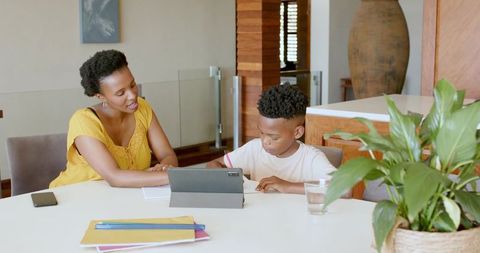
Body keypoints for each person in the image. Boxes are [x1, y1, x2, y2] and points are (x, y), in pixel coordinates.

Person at [50, 49, 177, 188]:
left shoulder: (142, 108)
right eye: (121, 93)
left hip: (123, 198)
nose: (132, 95)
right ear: (101, 96)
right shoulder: (83, 121)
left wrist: (165, 168)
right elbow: (114, 177)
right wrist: (168, 177)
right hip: (75, 199)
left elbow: (167, 154)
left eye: (133, 85)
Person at [206, 85, 336, 194]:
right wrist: (224, 177)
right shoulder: (254, 149)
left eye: (274, 137)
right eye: (262, 133)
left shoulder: (311, 158)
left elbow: (344, 189)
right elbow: (213, 164)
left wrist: (287, 186)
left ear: (297, 132)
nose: (265, 141)